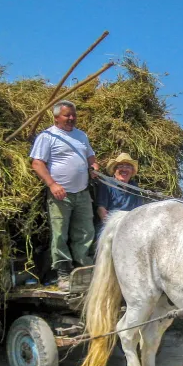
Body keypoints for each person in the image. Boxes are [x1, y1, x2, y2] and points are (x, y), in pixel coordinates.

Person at [29, 100, 99, 290]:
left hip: (82, 192)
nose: (71, 118)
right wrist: (52, 184)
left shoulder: (81, 135)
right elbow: (37, 163)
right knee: (60, 233)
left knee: (85, 232)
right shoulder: (47, 136)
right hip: (61, 194)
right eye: (67, 115)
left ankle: (84, 268)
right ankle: (63, 274)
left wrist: (93, 167)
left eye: (73, 115)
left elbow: (90, 156)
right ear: (56, 117)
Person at [94, 153, 144, 239]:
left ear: (132, 171)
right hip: (109, 228)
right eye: (120, 166)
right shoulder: (107, 184)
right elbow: (101, 210)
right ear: (114, 170)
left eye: (128, 166)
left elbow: (138, 211)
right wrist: (114, 228)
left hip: (130, 228)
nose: (124, 169)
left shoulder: (135, 187)